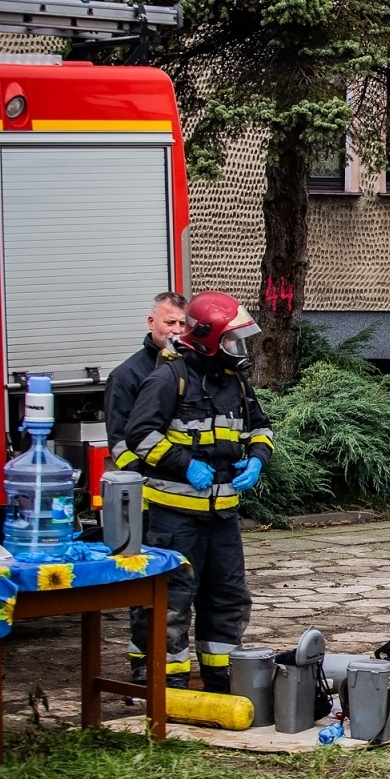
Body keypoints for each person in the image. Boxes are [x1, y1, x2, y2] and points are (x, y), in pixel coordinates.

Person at [124, 292, 272, 691]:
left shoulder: (236, 383)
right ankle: (166, 680)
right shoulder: (169, 378)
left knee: (227, 596)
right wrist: (184, 463)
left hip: (223, 515)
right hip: (174, 517)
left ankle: (219, 675)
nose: (237, 349)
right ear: (207, 338)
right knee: (172, 599)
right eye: (230, 340)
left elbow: (260, 428)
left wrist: (257, 458)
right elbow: (138, 434)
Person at [107, 291, 188, 470]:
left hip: (186, 480)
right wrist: (139, 476)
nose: (177, 330)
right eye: (170, 322)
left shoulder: (193, 368)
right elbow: (119, 443)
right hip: (151, 483)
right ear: (151, 323)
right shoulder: (126, 376)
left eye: (182, 323)